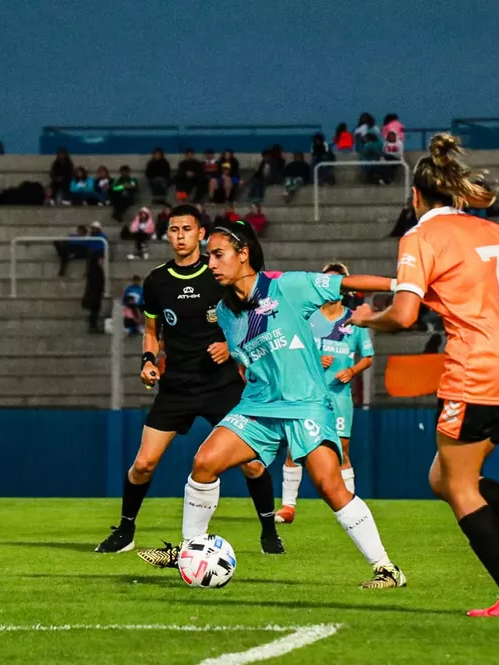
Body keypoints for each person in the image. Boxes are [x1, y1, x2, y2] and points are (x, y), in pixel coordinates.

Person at [349, 133, 499, 617]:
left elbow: (405, 315)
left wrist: (368, 318)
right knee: (446, 477)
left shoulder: (420, 237)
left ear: (415, 196)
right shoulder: (492, 230)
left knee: (458, 487)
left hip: (477, 368)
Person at [136, 218, 407, 589]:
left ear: (243, 254)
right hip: (258, 406)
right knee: (204, 462)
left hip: (305, 403)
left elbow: (346, 283)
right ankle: (189, 550)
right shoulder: (226, 311)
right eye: (209, 256)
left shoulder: (287, 286)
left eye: (218, 255)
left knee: (330, 486)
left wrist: (403, 287)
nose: (210, 263)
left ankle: (387, 568)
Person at [96, 206, 285, 557]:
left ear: (201, 234)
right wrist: (148, 360)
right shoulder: (157, 281)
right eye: (174, 229)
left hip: (222, 385)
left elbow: (253, 320)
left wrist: (230, 347)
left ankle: (269, 532)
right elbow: (151, 331)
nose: (180, 235)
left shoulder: (220, 273)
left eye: (187, 229)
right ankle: (125, 531)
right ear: (167, 234)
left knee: (252, 462)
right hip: (177, 387)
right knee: (143, 464)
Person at [275, 262, 375, 525]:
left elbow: (368, 357)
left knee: (342, 450)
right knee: (295, 447)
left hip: (339, 396)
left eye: (337, 283)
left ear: (345, 288)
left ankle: (351, 505)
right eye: (327, 282)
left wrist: (352, 371)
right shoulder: (307, 317)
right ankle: (288, 506)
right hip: (308, 395)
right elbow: (290, 353)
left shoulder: (355, 320)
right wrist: (314, 361)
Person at [81, 254, 105, 333]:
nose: (101, 261)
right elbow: (97, 283)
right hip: (94, 294)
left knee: (94, 311)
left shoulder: (93, 269)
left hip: (94, 293)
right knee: (94, 311)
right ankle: (93, 327)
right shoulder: (95, 270)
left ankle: (93, 327)